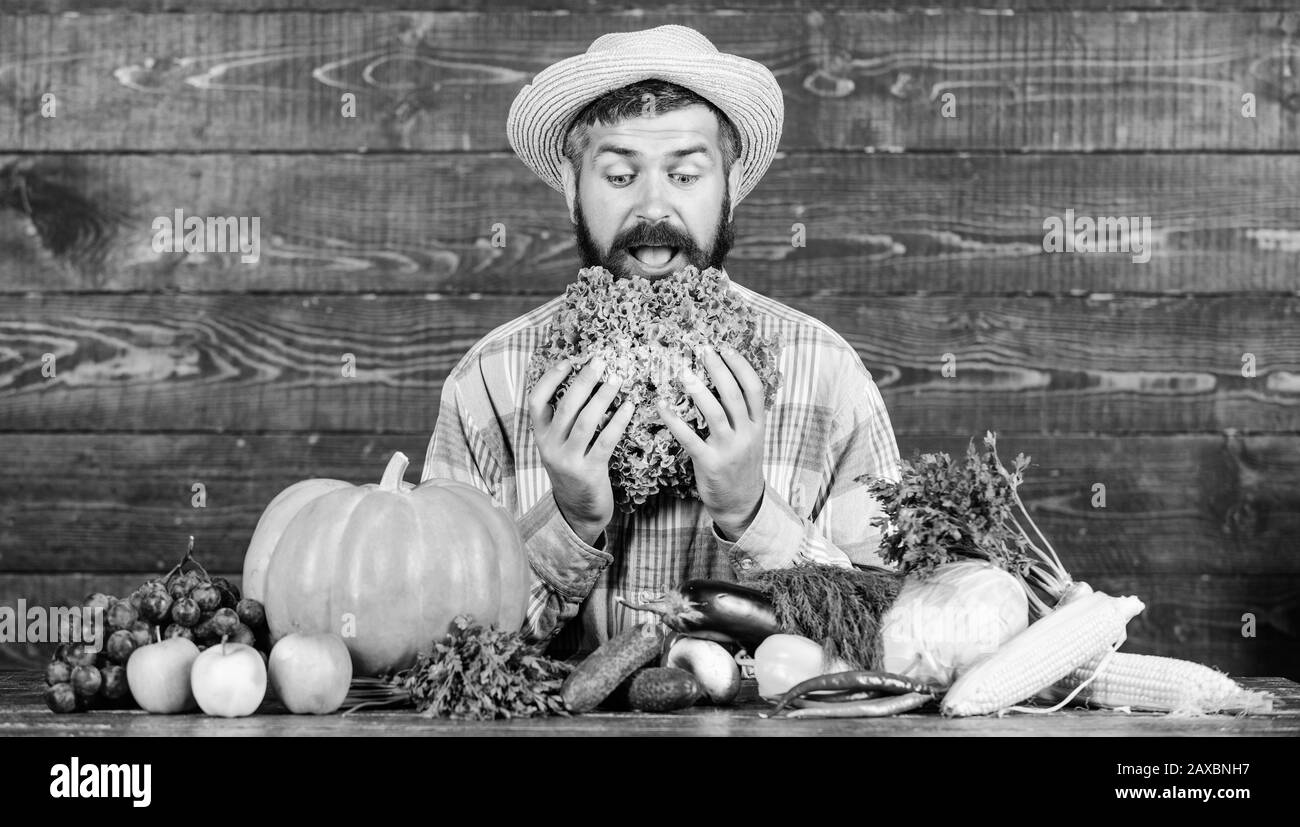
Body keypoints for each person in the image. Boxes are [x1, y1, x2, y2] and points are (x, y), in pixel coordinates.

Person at [423, 25, 900, 656]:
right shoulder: (489, 383)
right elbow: (435, 647)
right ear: (572, 191)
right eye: (620, 175)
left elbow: (892, 634)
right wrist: (567, 522)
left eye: (686, 174)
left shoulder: (827, 375)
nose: (654, 206)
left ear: (729, 189)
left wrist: (751, 511)